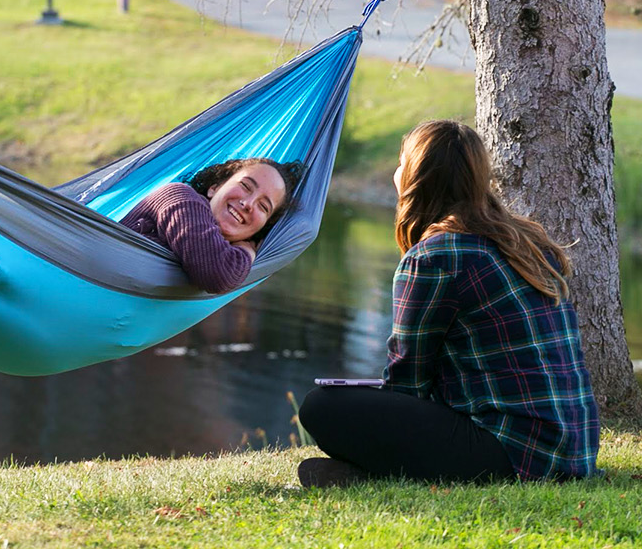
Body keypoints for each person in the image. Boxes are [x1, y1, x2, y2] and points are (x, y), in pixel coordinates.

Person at [297, 120, 600, 486]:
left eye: (400, 164)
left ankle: (371, 475)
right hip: (573, 450)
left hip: (515, 454)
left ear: (414, 178)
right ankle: (365, 474)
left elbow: (407, 381)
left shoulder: (435, 257)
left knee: (322, 407)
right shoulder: (527, 241)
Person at [120, 157, 302, 295]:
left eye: (263, 206)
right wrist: (247, 252)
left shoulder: (216, 252)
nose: (248, 204)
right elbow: (218, 274)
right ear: (214, 188)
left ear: (261, 228)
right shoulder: (179, 196)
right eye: (246, 186)